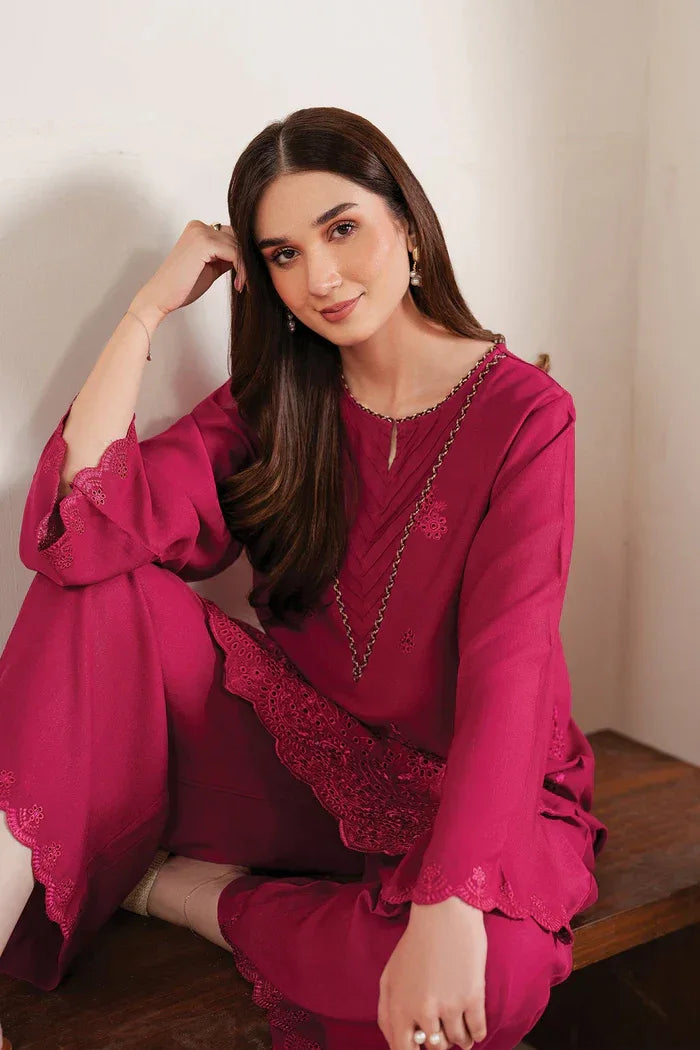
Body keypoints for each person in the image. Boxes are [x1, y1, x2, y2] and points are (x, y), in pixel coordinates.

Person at [0, 106, 608, 1050]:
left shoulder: (527, 415)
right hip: (306, 770)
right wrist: (147, 308)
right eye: (283, 254)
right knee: (90, 588)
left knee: (500, 976)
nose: (320, 277)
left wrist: (451, 899)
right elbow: (79, 533)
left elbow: (511, 669)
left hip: (479, 794)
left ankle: (199, 896)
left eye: (342, 228)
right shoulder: (275, 402)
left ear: (408, 224)